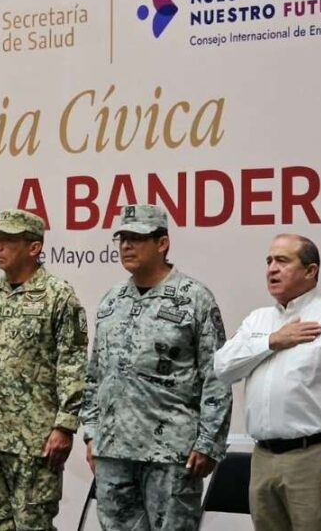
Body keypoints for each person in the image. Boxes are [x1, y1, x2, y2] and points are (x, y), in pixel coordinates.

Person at [81, 204, 232, 531]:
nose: (126, 246)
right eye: (122, 238)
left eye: (136, 238)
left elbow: (216, 376)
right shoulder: (111, 301)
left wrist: (208, 443)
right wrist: (91, 433)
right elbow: (95, 374)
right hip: (113, 451)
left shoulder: (193, 298)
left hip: (171, 453)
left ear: (162, 243)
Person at [214, 234, 321, 531]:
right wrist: (272, 341)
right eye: (269, 261)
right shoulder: (257, 321)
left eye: (283, 261)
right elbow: (222, 369)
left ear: (310, 271)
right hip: (262, 458)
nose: (272, 269)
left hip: (312, 459)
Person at [0, 209, 88, 531]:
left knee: (33, 525)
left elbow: (72, 363)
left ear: (33, 247)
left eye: (8, 240)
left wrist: (65, 425)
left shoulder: (58, 296)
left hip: (35, 440)